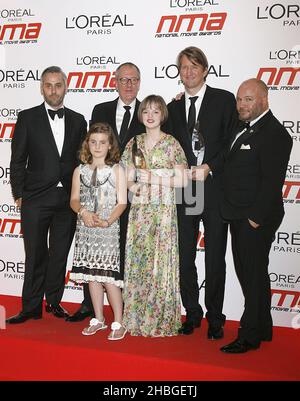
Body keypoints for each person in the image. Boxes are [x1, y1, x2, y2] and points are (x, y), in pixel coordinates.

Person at [6, 66, 87, 324]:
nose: (54, 90)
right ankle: (30, 307)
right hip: (36, 199)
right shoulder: (27, 118)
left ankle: (53, 301)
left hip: (67, 201)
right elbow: (17, 160)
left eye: (58, 85)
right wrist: (19, 193)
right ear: (42, 88)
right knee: (35, 254)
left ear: (66, 87)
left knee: (60, 253)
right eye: (48, 85)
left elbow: (82, 161)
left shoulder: (78, 120)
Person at [166, 46, 237, 338]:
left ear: (205, 69)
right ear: (179, 72)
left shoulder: (224, 99)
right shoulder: (172, 108)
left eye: (195, 66)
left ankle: (216, 318)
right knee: (185, 256)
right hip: (185, 192)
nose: (189, 72)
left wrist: (209, 167)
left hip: (214, 188)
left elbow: (231, 141)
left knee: (215, 256)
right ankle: (192, 313)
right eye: (183, 67)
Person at [67, 62, 144, 322]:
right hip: (96, 193)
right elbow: (92, 144)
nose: (128, 84)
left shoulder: (148, 111)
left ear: (140, 82)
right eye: (123, 79)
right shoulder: (101, 109)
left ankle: (125, 313)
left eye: (133, 80)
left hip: (132, 194)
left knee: (125, 254)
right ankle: (91, 308)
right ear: (115, 82)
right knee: (92, 256)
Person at [220, 78, 292, 353]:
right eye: (239, 99)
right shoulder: (241, 125)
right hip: (238, 213)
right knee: (254, 274)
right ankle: (262, 327)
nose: (241, 104)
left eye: (248, 99)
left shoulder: (275, 134)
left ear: (264, 100)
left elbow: (272, 182)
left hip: (255, 217)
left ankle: (249, 336)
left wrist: (255, 218)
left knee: (251, 275)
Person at [121, 94, 187, 337]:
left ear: (162, 115)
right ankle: (136, 316)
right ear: (141, 115)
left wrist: (155, 179)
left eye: (155, 111)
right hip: (140, 211)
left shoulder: (172, 144)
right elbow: (126, 178)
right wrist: (135, 187)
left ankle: (160, 317)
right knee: (139, 259)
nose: (150, 116)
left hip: (163, 212)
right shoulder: (133, 143)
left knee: (161, 260)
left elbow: (182, 181)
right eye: (146, 111)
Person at [69, 123, 127, 340]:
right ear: (87, 144)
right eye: (93, 142)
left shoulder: (117, 169)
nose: (97, 146)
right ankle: (99, 319)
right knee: (91, 277)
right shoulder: (80, 170)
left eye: (102, 142)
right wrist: (83, 212)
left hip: (107, 230)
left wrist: (108, 221)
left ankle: (119, 322)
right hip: (86, 230)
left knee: (108, 279)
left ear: (110, 144)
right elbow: (74, 200)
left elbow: (122, 202)